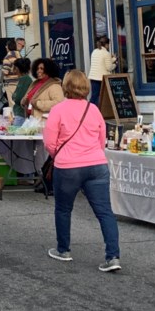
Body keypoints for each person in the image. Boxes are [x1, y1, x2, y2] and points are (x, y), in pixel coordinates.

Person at [44, 70, 121, 272]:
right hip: (96, 163)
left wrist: (58, 155)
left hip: (68, 164)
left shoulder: (58, 110)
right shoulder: (93, 109)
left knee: (63, 208)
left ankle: (64, 249)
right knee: (104, 212)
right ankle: (113, 256)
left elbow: (50, 142)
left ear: (66, 87)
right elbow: (101, 138)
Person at [88, 36, 117, 105]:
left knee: (94, 96)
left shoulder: (94, 51)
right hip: (101, 78)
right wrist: (115, 64)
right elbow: (109, 67)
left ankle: (90, 110)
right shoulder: (106, 53)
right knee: (102, 97)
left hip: (93, 77)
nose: (108, 46)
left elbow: (101, 62)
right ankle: (99, 111)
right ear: (106, 44)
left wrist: (113, 59)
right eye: (108, 45)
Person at [10, 59, 34, 127]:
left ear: (17, 68)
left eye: (14, 67)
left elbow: (17, 98)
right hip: (19, 113)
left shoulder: (25, 79)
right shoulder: (23, 79)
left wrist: (14, 96)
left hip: (21, 114)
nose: (13, 70)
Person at [1, 40, 21, 106]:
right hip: (19, 82)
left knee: (12, 102)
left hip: (11, 83)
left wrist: (2, 69)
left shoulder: (8, 57)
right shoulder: (19, 56)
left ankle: (14, 115)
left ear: (7, 47)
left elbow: (6, 72)